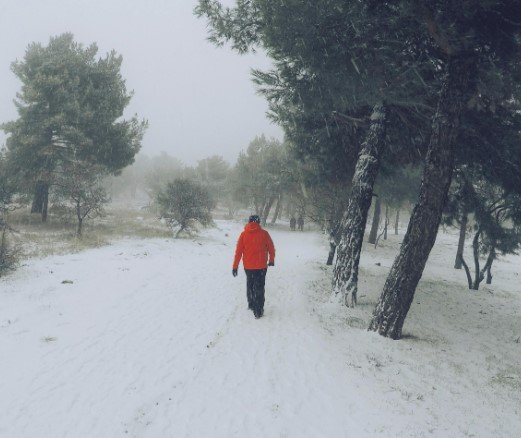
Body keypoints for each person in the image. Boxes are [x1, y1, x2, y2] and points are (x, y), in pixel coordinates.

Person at [232, 215, 275, 319]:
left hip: (249, 267)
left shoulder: (243, 234)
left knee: (250, 285)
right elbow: (271, 248)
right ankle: (258, 310)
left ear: (249, 222)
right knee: (259, 287)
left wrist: (235, 266)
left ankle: (251, 304)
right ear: (258, 222)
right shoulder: (264, 234)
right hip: (261, 266)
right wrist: (271, 260)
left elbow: (238, 252)